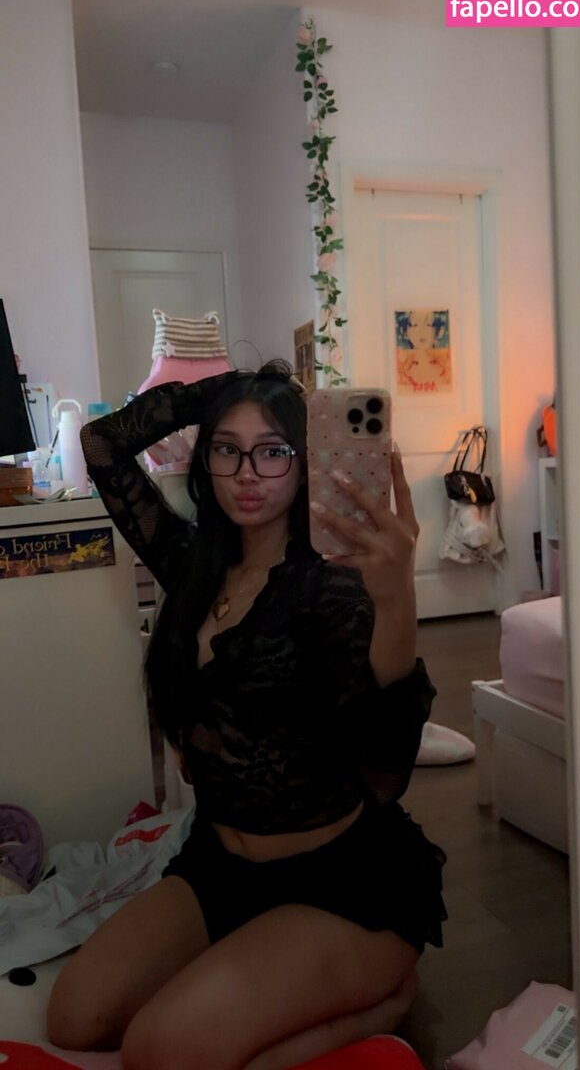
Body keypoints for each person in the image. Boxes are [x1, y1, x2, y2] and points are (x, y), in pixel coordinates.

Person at [47, 359, 446, 1070]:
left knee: (157, 1052)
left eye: (273, 450)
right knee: (75, 1018)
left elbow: (385, 780)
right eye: (226, 449)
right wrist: (225, 388)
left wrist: (397, 603)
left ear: (304, 460)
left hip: (339, 883)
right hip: (217, 865)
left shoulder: (333, 587)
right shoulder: (192, 565)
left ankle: (378, 1011)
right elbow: (102, 444)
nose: (247, 473)